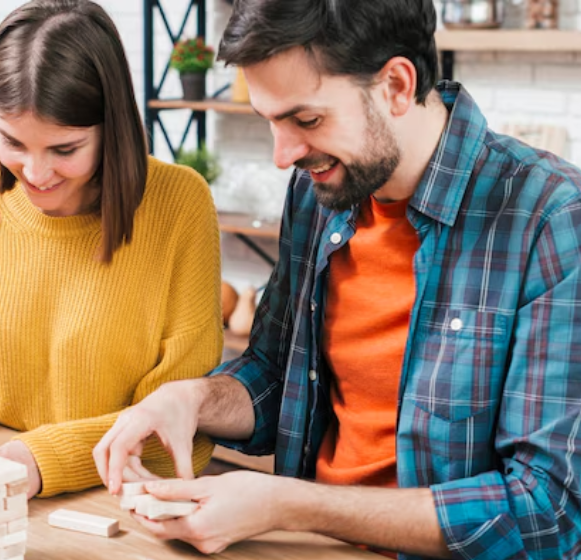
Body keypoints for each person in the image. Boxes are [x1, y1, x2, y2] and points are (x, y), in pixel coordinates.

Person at [93, 0, 581, 558]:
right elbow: (278, 375)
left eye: (306, 120)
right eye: (270, 121)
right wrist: (192, 400)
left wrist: (289, 503)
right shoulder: (319, 192)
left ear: (397, 85)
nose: (284, 155)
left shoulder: (551, 218)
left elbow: (547, 509)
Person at [0, 0, 223, 514]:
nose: (35, 172)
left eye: (65, 149)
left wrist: (36, 459)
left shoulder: (180, 204)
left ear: (111, 128)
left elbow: (174, 427)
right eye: (11, 141)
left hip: (114, 498)